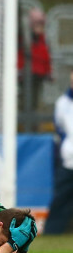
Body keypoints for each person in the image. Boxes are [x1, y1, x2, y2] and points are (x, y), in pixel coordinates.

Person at [44, 69, 73, 233]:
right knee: (60, 199)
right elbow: (60, 129)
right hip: (69, 160)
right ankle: (51, 232)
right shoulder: (62, 103)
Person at [18, 8, 53, 111]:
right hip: (27, 74)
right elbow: (21, 56)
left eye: (42, 25)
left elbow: (46, 57)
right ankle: (25, 122)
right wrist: (20, 70)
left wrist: (48, 72)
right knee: (25, 100)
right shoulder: (26, 41)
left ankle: (32, 124)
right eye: (38, 25)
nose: (40, 28)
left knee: (34, 101)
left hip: (39, 75)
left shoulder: (42, 40)